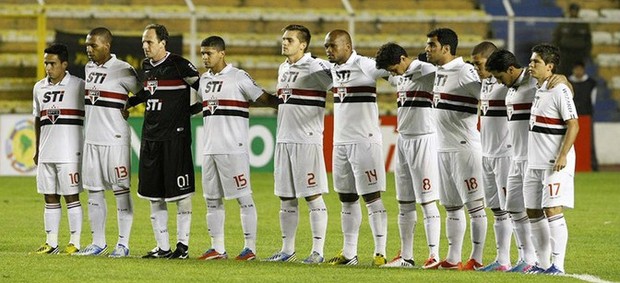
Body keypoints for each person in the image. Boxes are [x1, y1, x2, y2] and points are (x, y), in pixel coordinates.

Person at [196, 36, 279, 261]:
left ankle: (249, 248)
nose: (204, 57)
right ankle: (217, 248)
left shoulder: (238, 77)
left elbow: (263, 98)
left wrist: (288, 103)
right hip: (210, 148)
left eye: (209, 53)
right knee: (211, 200)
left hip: (234, 148)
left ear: (222, 53)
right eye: (202, 53)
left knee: (243, 197)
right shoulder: (203, 80)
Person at [127, 24, 202, 259]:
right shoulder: (147, 66)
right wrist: (129, 103)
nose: (145, 46)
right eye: (143, 42)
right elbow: (148, 93)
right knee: (153, 195)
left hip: (175, 139)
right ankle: (163, 247)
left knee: (181, 195)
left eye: (149, 42)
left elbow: (205, 90)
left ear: (163, 43)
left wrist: (189, 111)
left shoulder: (179, 65)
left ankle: (182, 247)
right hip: (150, 138)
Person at [263, 25, 332, 264]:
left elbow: (342, 80)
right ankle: (287, 250)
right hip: (284, 139)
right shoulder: (283, 67)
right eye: (283, 38)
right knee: (286, 197)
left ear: (303, 45)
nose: (284, 42)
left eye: (289, 39)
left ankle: (318, 251)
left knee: (312, 195)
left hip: (307, 139)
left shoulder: (316, 66)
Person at [323, 29, 390, 266]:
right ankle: (349, 253)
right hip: (340, 142)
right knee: (347, 198)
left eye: (332, 46)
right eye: (326, 48)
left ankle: (380, 252)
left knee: (371, 197)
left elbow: (393, 72)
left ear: (348, 46)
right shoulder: (331, 69)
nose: (329, 51)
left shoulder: (365, 65)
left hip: (365, 141)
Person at [422, 28, 487, 270]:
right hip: (443, 148)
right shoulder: (438, 72)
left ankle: (477, 258)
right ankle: (452, 258)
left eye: (431, 45)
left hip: (464, 148)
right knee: (451, 206)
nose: (427, 49)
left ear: (446, 49)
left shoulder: (465, 71)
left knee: (475, 206)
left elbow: (489, 94)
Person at [75, 27, 142, 257]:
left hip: (115, 140)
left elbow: (144, 92)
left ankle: (123, 244)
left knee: (121, 191)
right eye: (87, 45)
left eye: (93, 45)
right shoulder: (88, 67)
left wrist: (129, 106)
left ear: (107, 46)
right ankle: (98, 242)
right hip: (91, 140)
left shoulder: (124, 70)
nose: (88, 49)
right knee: (93, 191)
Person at [374, 43, 441, 269]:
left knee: (427, 200)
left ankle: (434, 255)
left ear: (404, 59)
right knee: (404, 202)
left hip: (425, 139)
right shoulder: (400, 76)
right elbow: (386, 75)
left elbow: (439, 71)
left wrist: (422, 61)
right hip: (403, 140)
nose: (393, 73)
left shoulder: (424, 71)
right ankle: (407, 256)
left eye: (394, 68)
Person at [523, 43, 579, 275]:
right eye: (531, 60)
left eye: (536, 62)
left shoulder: (560, 89)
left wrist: (563, 155)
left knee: (553, 209)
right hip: (534, 162)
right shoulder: (539, 85)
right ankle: (542, 263)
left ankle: (558, 265)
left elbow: (573, 125)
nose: (530, 65)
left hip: (554, 163)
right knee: (533, 211)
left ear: (550, 67)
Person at [31, 43, 85, 255]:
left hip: (69, 153)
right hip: (46, 152)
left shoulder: (78, 85)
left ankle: (75, 242)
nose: (48, 67)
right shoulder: (39, 87)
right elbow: (38, 119)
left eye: (52, 63)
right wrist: (37, 149)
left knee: (71, 196)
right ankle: (51, 242)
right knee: (49, 196)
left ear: (65, 64)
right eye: (46, 63)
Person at [470, 41, 513, 271]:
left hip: (505, 153)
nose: (476, 68)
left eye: (479, 64)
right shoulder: (484, 82)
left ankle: (529, 258)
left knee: (512, 209)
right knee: (496, 209)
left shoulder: (509, 82)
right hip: (486, 153)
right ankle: (502, 260)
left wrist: (563, 80)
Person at [569, 61, 598, 171]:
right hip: (572, 116)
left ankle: (592, 165)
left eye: (580, 69)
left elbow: (593, 100)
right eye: (576, 69)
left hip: (586, 116)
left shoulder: (591, 83)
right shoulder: (568, 82)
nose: (578, 71)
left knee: (589, 142)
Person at [552, 2, 592, 76]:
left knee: (577, 73)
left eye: (576, 10)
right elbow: (556, 38)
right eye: (572, 10)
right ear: (569, 11)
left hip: (579, 53)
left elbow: (588, 39)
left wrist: (586, 53)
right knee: (564, 72)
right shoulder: (563, 23)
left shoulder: (583, 24)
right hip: (565, 53)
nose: (574, 12)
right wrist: (557, 52)